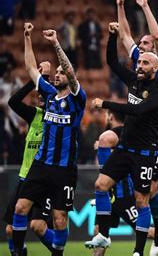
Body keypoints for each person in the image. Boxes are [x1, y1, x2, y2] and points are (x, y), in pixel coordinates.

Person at [85, 22, 158, 256]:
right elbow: (112, 62)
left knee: (142, 201)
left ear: (155, 68)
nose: (139, 65)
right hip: (125, 148)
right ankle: (102, 236)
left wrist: (105, 103)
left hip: (145, 154)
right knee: (100, 186)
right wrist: (112, 36)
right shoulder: (134, 80)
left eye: (145, 63)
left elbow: (138, 111)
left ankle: (138, 251)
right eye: (139, 62)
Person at [12, 23, 86, 256]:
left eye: (61, 73)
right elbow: (31, 68)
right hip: (41, 164)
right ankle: (17, 252)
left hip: (64, 169)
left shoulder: (77, 98)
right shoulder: (49, 94)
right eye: (56, 73)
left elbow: (71, 73)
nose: (57, 74)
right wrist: (27, 38)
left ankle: (58, 254)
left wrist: (55, 43)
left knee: (60, 219)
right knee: (20, 208)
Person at [115, 0, 158, 253]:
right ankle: (157, 232)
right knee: (144, 192)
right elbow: (124, 35)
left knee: (149, 190)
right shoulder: (139, 63)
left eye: (146, 44)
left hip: (153, 130)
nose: (142, 46)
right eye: (142, 44)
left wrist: (144, 7)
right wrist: (120, 5)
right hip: (133, 129)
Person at [90, 110, 158, 256]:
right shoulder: (109, 137)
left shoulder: (126, 136)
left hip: (124, 196)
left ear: (110, 116)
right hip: (108, 195)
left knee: (146, 231)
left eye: (106, 114)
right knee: (99, 231)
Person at [3, 61, 53, 256]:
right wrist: (34, 81)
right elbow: (13, 102)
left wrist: (45, 78)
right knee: (10, 230)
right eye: (38, 93)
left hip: (45, 180)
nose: (40, 96)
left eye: (44, 92)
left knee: (39, 227)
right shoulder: (35, 115)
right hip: (25, 178)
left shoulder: (56, 115)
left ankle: (59, 251)